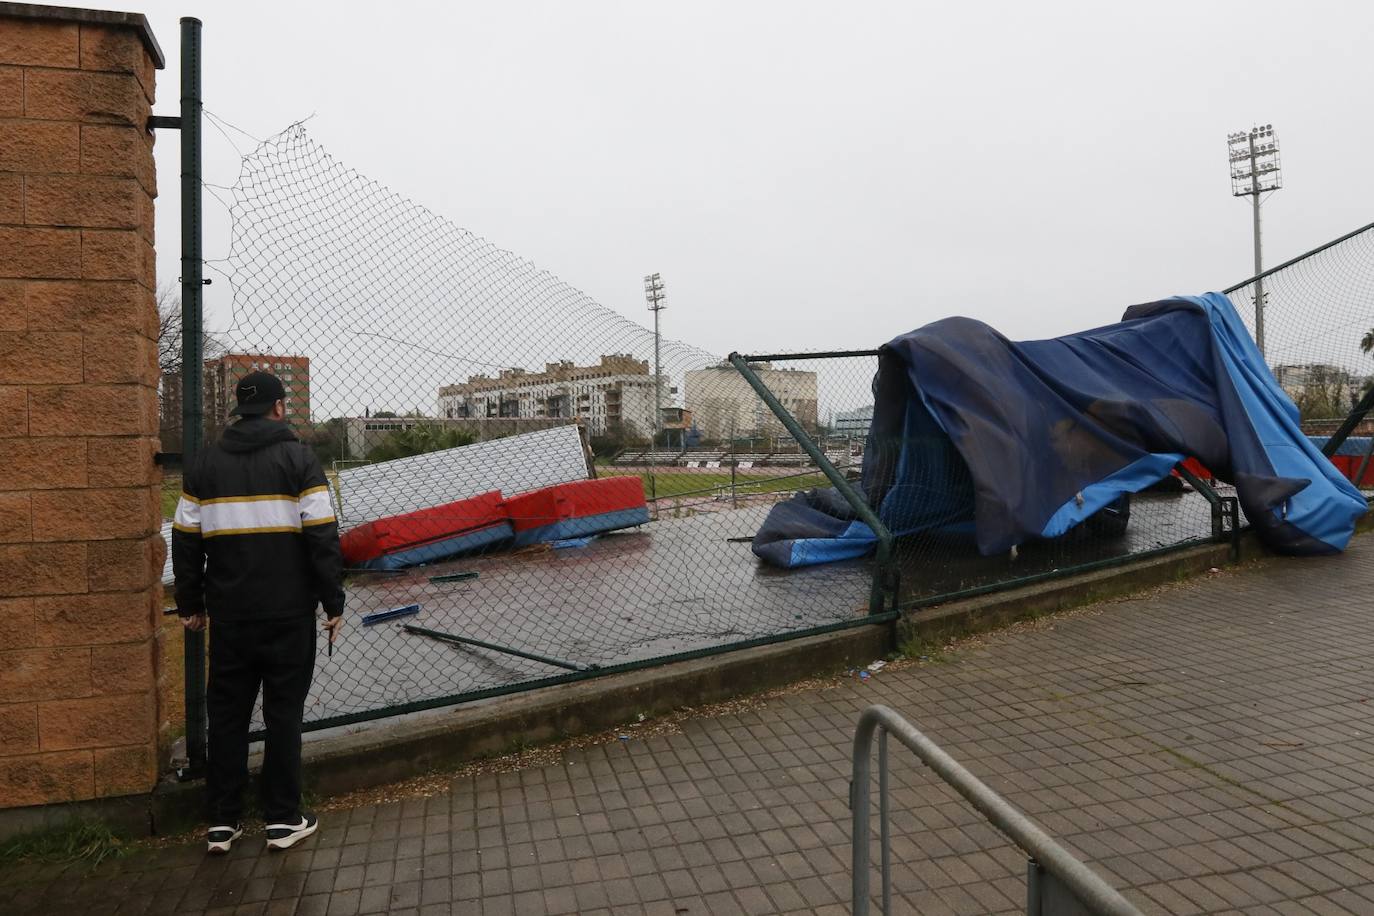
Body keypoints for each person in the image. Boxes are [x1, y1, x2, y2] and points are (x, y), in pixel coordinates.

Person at [172, 370, 345, 854]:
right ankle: (283, 819)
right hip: (289, 614)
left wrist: (190, 604)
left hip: (230, 617)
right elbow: (323, 538)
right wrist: (334, 601)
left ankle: (223, 822)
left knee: (226, 714)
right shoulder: (299, 459)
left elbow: (184, 541)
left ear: (237, 410)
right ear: (278, 408)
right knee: (283, 714)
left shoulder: (204, 465)